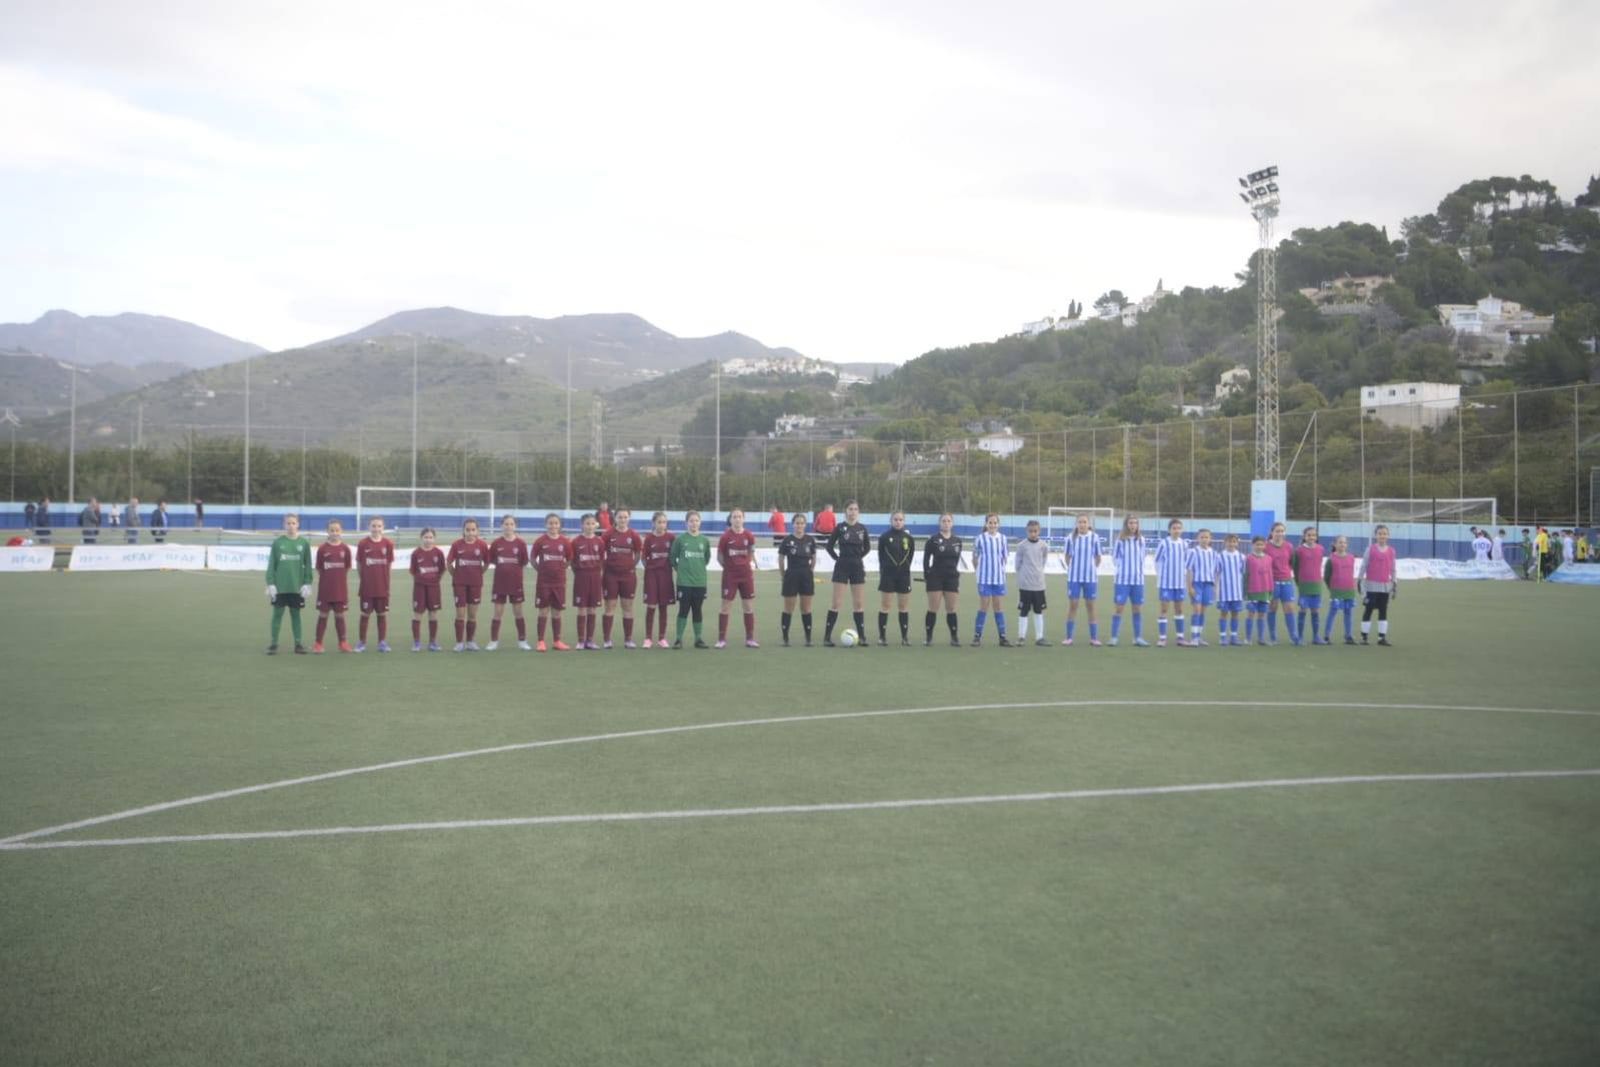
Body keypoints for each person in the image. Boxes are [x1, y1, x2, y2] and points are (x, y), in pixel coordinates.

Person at [823, 500, 871, 647]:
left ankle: (862, 637)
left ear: (858, 512)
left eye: (855, 509)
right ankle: (827, 637)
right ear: (846, 511)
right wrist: (839, 559)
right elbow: (829, 547)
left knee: (858, 604)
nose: (853, 512)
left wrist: (857, 558)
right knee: (836, 603)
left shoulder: (862, 529)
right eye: (850, 509)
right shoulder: (840, 528)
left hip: (857, 567)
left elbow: (867, 548)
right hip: (841, 567)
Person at [264, 513, 313, 655]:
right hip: (280, 588)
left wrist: (307, 583)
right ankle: (273, 644)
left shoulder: (304, 543)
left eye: (293, 523)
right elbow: (271, 564)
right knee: (277, 614)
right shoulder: (278, 543)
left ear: (298, 524)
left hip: (296, 588)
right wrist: (270, 583)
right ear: (284, 525)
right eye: (288, 523)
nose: (291, 526)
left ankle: (298, 644)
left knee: (296, 615)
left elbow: (308, 565)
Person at [716, 507, 760, 648]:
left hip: (746, 575)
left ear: (744, 519)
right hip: (730, 576)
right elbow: (720, 557)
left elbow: (751, 551)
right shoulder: (725, 537)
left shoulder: (749, 535)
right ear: (730, 519)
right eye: (734, 517)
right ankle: (721, 639)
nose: (737, 519)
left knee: (748, 606)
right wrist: (729, 568)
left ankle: (750, 639)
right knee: (725, 607)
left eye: (740, 516)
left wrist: (747, 564)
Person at [487, 514, 532, 651]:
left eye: (511, 524)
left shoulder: (521, 543)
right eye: (506, 524)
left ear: (515, 526)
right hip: (500, 583)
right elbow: (493, 560)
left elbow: (524, 561)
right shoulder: (496, 543)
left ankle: (522, 640)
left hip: (515, 583)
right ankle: (493, 641)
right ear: (502, 526)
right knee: (497, 612)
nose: (508, 526)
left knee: (518, 612)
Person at [601, 507, 643, 649]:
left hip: (628, 577)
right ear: (615, 518)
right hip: (610, 576)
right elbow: (601, 551)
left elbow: (637, 554)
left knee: (628, 607)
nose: (623, 520)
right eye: (620, 517)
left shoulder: (634, 535)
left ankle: (628, 640)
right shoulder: (607, 535)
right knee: (610, 607)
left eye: (625, 517)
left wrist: (631, 566)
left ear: (629, 518)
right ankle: (607, 640)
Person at [531, 513, 573, 651]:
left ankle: (557, 641)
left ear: (559, 525)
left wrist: (560, 569)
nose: (553, 525)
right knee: (543, 611)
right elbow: (532, 558)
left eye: (556, 523)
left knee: (557, 612)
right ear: (546, 524)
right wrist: (541, 570)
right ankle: (541, 641)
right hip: (543, 582)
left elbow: (569, 559)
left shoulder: (565, 542)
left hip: (559, 582)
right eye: (550, 523)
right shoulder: (540, 541)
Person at [670, 509, 712, 649]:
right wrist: (680, 570)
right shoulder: (680, 539)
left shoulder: (704, 541)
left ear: (700, 523)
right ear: (686, 523)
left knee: (697, 610)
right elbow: (672, 558)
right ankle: (678, 639)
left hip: (700, 582)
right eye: (691, 521)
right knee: (683, 609)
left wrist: (697, 569)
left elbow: (706, 559)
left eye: (696, 521)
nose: (694, 523)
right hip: (684, 582)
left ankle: (698, 639)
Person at [922, 512, 964, 647]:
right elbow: (926, 559)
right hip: (935, 577)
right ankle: (929, 637)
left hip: (951, 578)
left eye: (948, 521)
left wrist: (955, 573)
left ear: (952, 523)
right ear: (940, 523)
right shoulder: (933, 540)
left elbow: (957, 559)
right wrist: (927, 574)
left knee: (951, 608)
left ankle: (954, 637)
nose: (946, 523)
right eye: (944, 521)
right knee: (933, 607)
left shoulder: (957, 541)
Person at [447, 518, 489, 651]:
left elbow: (487, 563)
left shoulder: (482, 545)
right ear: (463, 531)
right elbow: (449, 563)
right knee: (460, 613)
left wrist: (478, 574)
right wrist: (456, 575)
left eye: (473, 530)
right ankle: (459, 643)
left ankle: (470, 641)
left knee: (472, 615)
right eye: (468, 530)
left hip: (476, 584)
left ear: (477, 531)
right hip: (459, 584)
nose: (470, 532)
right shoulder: (456, 545)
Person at [355, 515, 396, 652]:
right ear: (369, 527)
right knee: (365, 614)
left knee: (382, 614)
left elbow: (388, 565)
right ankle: (361, 642)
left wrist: (385, 581)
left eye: (379, 526)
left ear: (383, 528)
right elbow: (359, 564)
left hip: (382, 587)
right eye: (374, 526)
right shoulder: (363, 544)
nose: (376, 529)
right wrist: (364, 579)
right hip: (367, 587)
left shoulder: (388, 544)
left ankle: (382, 642)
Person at [312, 519, 354, 654]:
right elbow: (319, 568)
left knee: (340, 615)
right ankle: (318, 643)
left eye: (337, 530)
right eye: (332, 530)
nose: (334, 532)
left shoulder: (345, 549)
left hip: (340, 589)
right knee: (323, 615)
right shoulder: (322, 549)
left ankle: (342, 643)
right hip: (325, 589)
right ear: (327, 531)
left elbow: (347, 567)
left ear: (341, 531)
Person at [1061, 513, 1102, 647]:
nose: (1082, 524)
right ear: (1076, 524)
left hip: (1090, 578)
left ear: (1088, 524)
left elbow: (1098, 558)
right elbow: (1067, 557)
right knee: (1073, 605)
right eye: (1080, 522)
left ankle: (1094, 638)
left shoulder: (1095, 538)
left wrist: (1090, 569)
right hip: (1074, 578)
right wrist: (1073, 568)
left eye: (1084, 522)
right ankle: (1068, 637)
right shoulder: (1070, 538)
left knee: (1090, 606)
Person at [876, 510, 916, 646]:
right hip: (888, 575)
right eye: (895, 519)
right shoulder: (884, 537)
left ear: (904, 521)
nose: (898, 522)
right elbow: (881, 557)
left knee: (903, 607)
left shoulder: (909, 538)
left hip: (904, 575)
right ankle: (882, 637)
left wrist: (903, 568)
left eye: (900, 520)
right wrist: (885, 570)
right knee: (886, 606)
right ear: (891, 521)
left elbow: (910, 557)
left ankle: (904, 638)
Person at [971, 512, 1011, 647]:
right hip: (984, 579)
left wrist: (999, 570)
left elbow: (1004, 558)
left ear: (998, 524)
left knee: (998, 607)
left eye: (995, 523)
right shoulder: (980, 538)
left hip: (998, 579)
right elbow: (975, 558)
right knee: (984, 607)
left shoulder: (1003, 539)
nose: (992, 525)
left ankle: (1002, 637)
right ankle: (977, 637)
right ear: (986, 524)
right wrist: (980, 572)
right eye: (990, 523)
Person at [777, 512, 817, 646]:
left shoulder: (810, 540)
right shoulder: (787, 540)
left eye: (802, 523)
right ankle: (785, 638)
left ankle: (808, 638)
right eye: (797, 523)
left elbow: (814, 557)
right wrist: (783, 574)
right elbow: (781, 558)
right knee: (789, 608)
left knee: (806, 608)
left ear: (805, 525)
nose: (799, 525)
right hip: (791, 574)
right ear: (793, 525)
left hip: (806, 575)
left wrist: (810, 571)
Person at [1109, 516, 1147, 647]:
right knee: (1119, 608)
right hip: (1122, 580)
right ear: (1126, 524)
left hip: (1137, 580)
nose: (1133, 525)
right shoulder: (1120, 540)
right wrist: (1122, 567)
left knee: (1137, 609)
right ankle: (1114, 637)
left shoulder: (1141, 540)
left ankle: (1137, 638)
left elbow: (1143, 557)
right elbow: (1114, 558)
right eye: (1131, 523)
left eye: (1135, 523)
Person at [569, 513, 606, 650]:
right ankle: (580, 641)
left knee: (592, 608)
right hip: (581, 577)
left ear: (596, 525)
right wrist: (579, 573)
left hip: (595, 577)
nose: (590, 526)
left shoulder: (600, 542)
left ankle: (590, 640)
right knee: (582, 608)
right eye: (587, 524)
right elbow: (572, 561)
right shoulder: (576, 542)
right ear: (582, 525)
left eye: (592, 524)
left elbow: (602, 560)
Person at [640, 512, 676, 648]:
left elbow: (675, 554)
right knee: (651, 606)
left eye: (664, 522)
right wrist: (649, 568)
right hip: (652, 576)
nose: (662, 525)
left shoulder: (671, 537)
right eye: (659, 522)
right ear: (653, 523)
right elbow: (644, 557)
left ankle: (662, 638)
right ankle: (648, 638)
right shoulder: (649, 538)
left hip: (666, 576)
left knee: (663, 606)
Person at [1358, 524, 1398, 646]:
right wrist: (1359, 579)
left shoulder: (1391, 551)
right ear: (1376, 535)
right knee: (1368, 609)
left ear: (1388, 535)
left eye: (1385, 533)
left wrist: (1394, 582)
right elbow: (1364, 565)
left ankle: (1381, 638)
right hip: (1371, 586)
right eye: (1380, 533)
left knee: (1383, 610)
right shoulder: (1370, 549)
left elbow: (1393, 569)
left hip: (1385, 587)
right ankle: (1364, 637)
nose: (1382, 535)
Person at [1013, 518, 1051, 647]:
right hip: (1025, 585)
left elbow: (1044, 560)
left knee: (1038, 611)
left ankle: (1039, 637)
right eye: (1031, 531)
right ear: (1027, 531)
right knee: (1024, 611)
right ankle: (1021, 637)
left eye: (1035, 531)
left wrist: (1038, 571)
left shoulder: (1043, 546)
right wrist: (1023, 575)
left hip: (1039, 584)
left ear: (1039, 531)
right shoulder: (1022, 546)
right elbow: (1017, 564)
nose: (1033, 533)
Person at [409, 527, 446, 652]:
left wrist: (434, 580)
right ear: (421, 538)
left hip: (434, 588)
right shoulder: (416, 553)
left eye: (430, 537)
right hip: (419, 587)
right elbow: (413, 571)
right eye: (426, 537)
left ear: (434, 539)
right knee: (417, 614)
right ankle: (416, 642)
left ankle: (432, 642)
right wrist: (422, 579)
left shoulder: (439, 553)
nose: (428, 540)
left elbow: (442, 570)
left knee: (433, 614)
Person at [1153, 519, 1188, 647]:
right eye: (1174, 528)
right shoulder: (1164, 543)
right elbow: (1157, 561)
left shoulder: (1184, 544)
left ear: (1182, 530)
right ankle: (1162, 638)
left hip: (1179, 583)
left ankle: (1180, 638)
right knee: (1164, 609)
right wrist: (1162, 576)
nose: (1177, 530)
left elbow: (1186, 562)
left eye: (1179, 528)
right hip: (1166, 583)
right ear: (1169, 530)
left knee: (1179, 609)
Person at [1263, 521, 1297, 644]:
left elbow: (1291, 563)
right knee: (1272, 608)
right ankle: (1273, 637)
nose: (1280, 533)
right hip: (1272, 582)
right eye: (1277, 531)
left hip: (1287, 581)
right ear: (1272, 533)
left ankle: (1294, 637)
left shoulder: (1289, 546)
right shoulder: (1266, 547)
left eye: (1282, 531)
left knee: (1289, 608)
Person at [1293, 526, 1327, 646]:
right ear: (1304, 537)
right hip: (1304, 585)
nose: (1311, 537)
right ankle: (1300, 637)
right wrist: (1299, 582)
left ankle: (1316, 637)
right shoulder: (1299, 550)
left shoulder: (1321, 549)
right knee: (1303, 610)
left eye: (1314, 535)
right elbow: (1295, 568)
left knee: (1315, 611)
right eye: (1309, 535)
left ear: (1316, 537)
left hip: (1316, 585)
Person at [1323, 535, 1359, 645]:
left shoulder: (1351, 558)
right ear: (1334, 544)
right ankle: (1326, 636)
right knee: (1332, 612)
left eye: (1344, 542)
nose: (1342, 544)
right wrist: (1332, 588)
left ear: (1347, 544)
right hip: (1336, 591)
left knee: (1348, 613)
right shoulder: (1331, 559)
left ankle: (1348, 636)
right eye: (1340, 542)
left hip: (1349, 590)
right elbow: (1326, 577)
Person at [1187, 528, 1219, 647]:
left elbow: (1215, 571)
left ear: (1210, 539)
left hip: (1208, 584)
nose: (1204, 539)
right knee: (1197, 610)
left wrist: (1215, 586)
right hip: (1197, 583)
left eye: (1206, 537)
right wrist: (1189, 587)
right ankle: (1194, 638)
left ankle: (1199, 636)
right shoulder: (1193, 552)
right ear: (1198, 538)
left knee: (1203, 611)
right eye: (1202, 537)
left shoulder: (1214, 553)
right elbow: (1189, 570)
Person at [1215, 532, 1246, 646]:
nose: (1231, 544)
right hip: (1224, 591)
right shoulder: (1220, 556)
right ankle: (1222, 637)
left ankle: (1233, 636)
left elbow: (1243, 572)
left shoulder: (1241, 557)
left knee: (1235, 613)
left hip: (1236, 591)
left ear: (1237, 543)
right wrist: (1215, 588)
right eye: (1229, 541)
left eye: (1233, 541)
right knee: (1223, 613)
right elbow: (1216, 573)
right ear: (1225, 542)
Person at [1243, 536, 1273, 645]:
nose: (1259, 547)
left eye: (1261, 544)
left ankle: (1261, 638)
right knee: (1251, 614)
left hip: (1265, 591)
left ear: (1265, 545)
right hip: (1252, 591)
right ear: (1253, 545)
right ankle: (1248, 638)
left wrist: (1270, 590)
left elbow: (1270, 575)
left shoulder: (1269, 558)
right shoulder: (1248, 558)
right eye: (1257, 544)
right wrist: (1245, 592)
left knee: (1262, 615)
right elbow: (1245, 576)